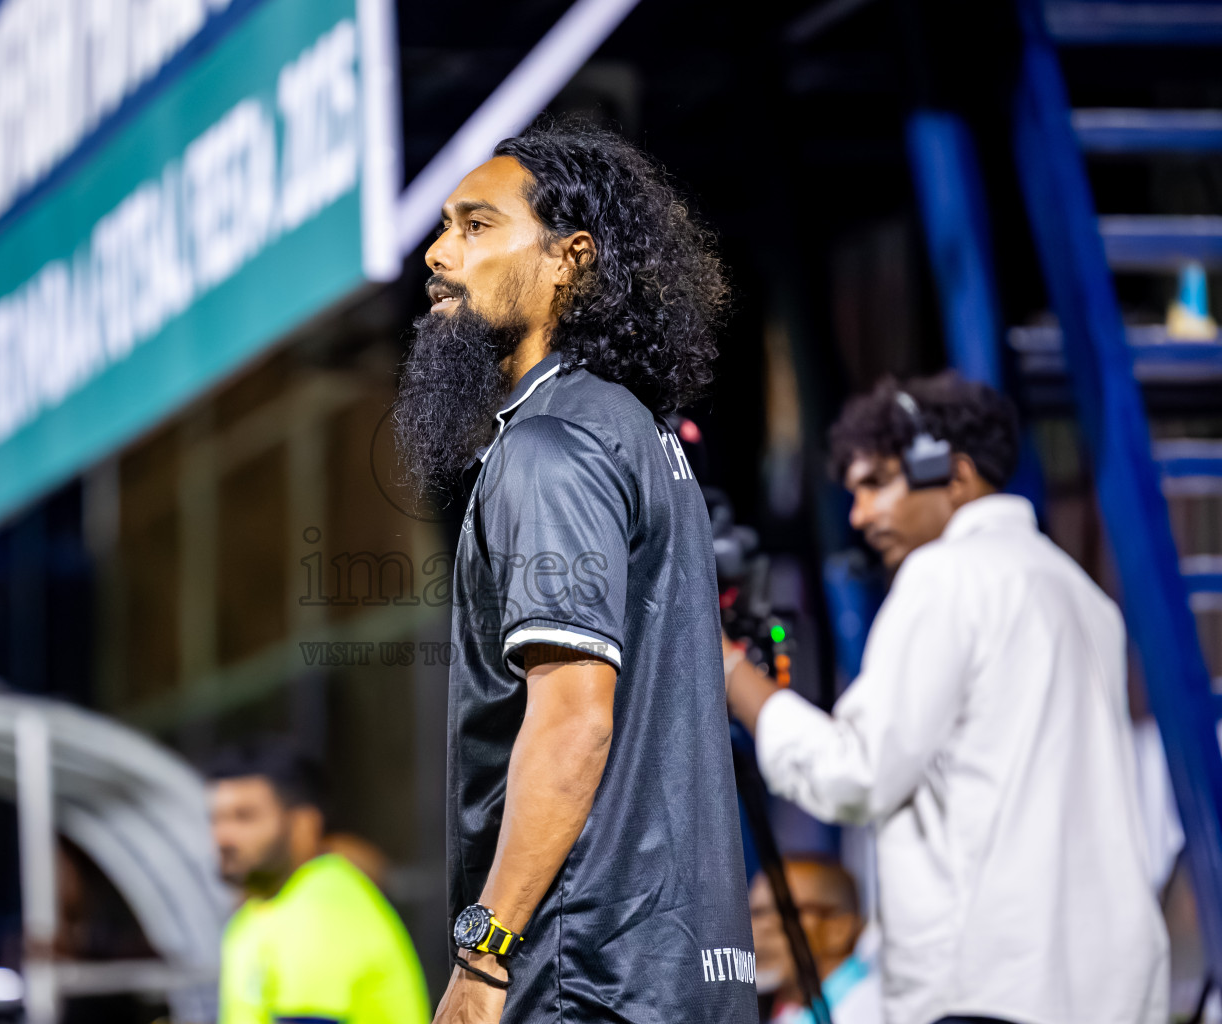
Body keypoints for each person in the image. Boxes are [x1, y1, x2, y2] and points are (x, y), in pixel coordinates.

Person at [394, 118, 755, 1023]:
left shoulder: (550, 446)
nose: (440, 254)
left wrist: (484, 956)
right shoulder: (638, 435)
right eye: (443, 226)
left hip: (580, 974)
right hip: (678, 973)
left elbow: (571, 725)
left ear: (571, 262)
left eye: (477, 226)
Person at [723, 374, 1168, 1024]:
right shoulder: (1076, 590)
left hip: (992, 993)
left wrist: (734, 674)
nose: (859, 516)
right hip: (1112, 991)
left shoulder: (945, 576)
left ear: (954, 475)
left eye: (876, 485)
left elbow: (855, 774)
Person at [207, 741, 428, 1024]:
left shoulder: (322, 905)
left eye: (244, 817)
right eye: (216, 819)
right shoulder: (255, 913)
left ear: (304, 825)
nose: (222, 837)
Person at [748, 858, 880, 1024]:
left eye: (782, 910)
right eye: (752, 913)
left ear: (838, 930)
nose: (755, 928)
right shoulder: (781, 1011)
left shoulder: (881, 1009)